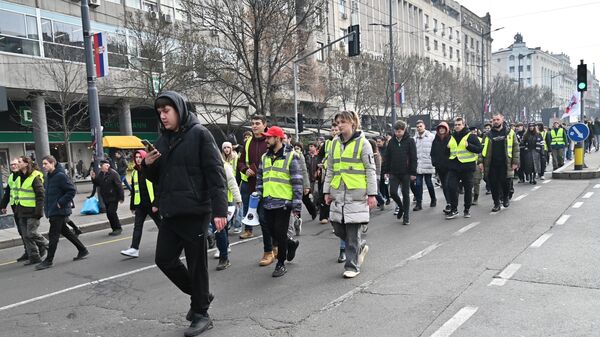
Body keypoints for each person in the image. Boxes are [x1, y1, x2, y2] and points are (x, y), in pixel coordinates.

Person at [143, 91, 228, 336]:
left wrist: (220, 210)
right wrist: (147, 165)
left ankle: (201, 313)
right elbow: (158, 177)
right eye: (159, 112)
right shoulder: (162, 140)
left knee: (197, 265)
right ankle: (201, 296)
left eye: (166, 111)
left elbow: (215, 174)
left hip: (194, 210)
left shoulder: (200, 134)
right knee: (164, 259)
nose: (162, 116)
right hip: (170, 212)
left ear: (179, 110)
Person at [324, 111, 378, 278]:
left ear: (353, 123)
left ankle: (352, 266)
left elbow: (370, 170)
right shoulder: (334, 143)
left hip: (357, 194)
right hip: (338, 194)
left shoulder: (364, 144)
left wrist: (372, 194)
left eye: (343, 122)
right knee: (338, 228)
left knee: (352, 233)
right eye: (338, 122)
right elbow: (331, 169)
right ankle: (360, 247)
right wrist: (326, 191)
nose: (339, 125)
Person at [256, 126, 302, 277]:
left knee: (280, 233)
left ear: (277, 138)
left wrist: (296, 204)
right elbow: (260, 178)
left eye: (269, 137)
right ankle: (291, 243)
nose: (266, 140)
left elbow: (296, 181)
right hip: (267, 202)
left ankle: (280, 263)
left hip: (283, 203)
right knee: (272, 232)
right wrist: (258, 194)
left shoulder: (291, 156)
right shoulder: (265, 157)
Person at [36, 155, 88, 270]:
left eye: (45, 164)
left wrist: (60, 202)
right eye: (43, 164)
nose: (43, 166)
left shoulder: (60, 176)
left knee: (53, 236)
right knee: (66, 232)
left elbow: (71, 190)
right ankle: (83, 250)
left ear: (52, 163)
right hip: (53, 210)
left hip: (59, 210)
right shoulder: (49, 176)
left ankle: (48, 260)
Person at [237, 115, 275, 267]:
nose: (254, 126)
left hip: (272, 186)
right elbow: (240, 162)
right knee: (264, 219)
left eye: (257, 123)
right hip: (254, 187)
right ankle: (268, 251)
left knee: (272, 221)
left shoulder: (270, 140)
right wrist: (246, 169)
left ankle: (277, 245)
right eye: (252, 124)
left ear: (264, 124)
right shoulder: (247, 143)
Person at [120, 150, 162, 258]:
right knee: (137, 227)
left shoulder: (151, 170)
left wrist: (156, 204)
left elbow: (158, 188)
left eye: (140, 157)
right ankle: (134, 248)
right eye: (136, 157)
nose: (138, 159)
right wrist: (132, 206)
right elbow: (134, 191)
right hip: (140, 205)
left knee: (162, 226)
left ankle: (174, 244)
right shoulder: (134, 172)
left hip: (152, 205)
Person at [479, 114, 519, 212]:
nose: (496, 121)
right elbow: (481, 149)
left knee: (506, 183)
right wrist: (480, 162)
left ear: (502, 120)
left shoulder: (509, 133)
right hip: (491, 163)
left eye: (498, 119)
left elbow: (516, 148)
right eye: (494, 120)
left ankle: (505, 198)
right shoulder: (488, 135)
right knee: (493, 184)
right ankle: (496, 203)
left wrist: (515, 161)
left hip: (506, 163)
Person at [446, 117, 482, 219]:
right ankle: (454, 209)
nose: (457, 126)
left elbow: (479, 149)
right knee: (451, 187)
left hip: (467, 167)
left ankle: (467, 210)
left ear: (464, 125)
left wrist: (468, 146)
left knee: (467, 189)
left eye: (459, 124)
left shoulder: (471, 136)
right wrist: (447, 149)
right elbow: (447, 152)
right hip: (454, 167)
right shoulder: (451, 137)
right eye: (455, 125)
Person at [382, 120, 417, 225]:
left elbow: (413, 157)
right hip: (394, 172)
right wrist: (386, 171)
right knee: (392, 192)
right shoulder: (391, 142)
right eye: (396, 131)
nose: (398, 133)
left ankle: (406, 216)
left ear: (404, 130)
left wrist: (413, 173)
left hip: (406, 172)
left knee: (406, 194)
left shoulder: (410, 141)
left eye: (400, 131)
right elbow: (387, 157)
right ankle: (401, 207)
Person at [15, 156, 48, 266]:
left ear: (25, 164)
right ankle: (34, 257)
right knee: (26, 236)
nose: (17, 164)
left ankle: (48, 245)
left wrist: (39, 212)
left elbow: (40, 195)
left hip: (33, 211)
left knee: (31, 233)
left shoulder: (35, 176)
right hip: (22, 211)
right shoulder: (20, 177)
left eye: (19, 162)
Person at [212, 153, 242, 271]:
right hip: (206, 202)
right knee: (219, 229)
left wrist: (238, 199)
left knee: (220, 229)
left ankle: (224, 257)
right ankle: (224, 247)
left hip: (221, 201)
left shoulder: (225, 166)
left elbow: (232, 183)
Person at [0, 159, 29, 262]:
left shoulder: (24, 175)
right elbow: (8, 192)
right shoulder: (11, 177)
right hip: (16, 207)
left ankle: (38, 248)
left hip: (25, 206)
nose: (13, 166)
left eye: (15, 164)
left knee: (27, 231)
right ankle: (28, 251)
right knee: (21, 231)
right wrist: (3, 206)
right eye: (11, 165)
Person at [91, 159, 124, 236]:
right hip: (106, 197)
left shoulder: (113, 173)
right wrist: (93, 178)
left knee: (112, 212)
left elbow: (119, 186)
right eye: (105, 165)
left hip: (114, 197)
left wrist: (121, 197)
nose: (107, 166)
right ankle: (114, 228)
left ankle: (118, 228)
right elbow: (98, 183)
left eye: (107, 165)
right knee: (109, 214)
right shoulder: (101, 174)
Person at [318, 123, 339, 224]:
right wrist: (319, 164)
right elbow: (320, 155)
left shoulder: (342, 142)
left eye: (336, 130)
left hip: (339, 172)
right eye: (332, 130)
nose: (334, 132)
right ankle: (323, 216)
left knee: (336, 194)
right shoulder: (326, 143)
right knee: (323, 193)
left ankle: (335, 215)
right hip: (327, 172)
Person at [413, 120, 436, 211]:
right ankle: (419, 203)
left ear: (424, 126)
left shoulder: (431, 137)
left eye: (420, 126)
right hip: (418, 164)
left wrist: (433, 161)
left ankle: (433, 199)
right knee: (418, 184)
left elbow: (435, 150)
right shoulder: (414, 138)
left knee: (429, 182)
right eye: (417, 126)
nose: (419, 128)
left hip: (428, 163)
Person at [221, 141, 242, 234]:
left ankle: (238, 224)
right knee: (228, 207)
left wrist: (237, 183)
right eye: (224, 148)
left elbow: (237, 172)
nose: (226, 149)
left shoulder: (235, 157)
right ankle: (228, 223)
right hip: (225, 186)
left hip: (234, 184)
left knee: (236, 206)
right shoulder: (221, 159)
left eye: (228, 147)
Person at [431, 122, 451, 214]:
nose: (441, 130)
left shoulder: (450, 138)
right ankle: (448, 202)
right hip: (439, 167)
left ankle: (451, 203)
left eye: (443, 128)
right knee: (444, 186)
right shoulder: (436, 140)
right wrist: (434, 163)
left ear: (446, 129)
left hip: (449, 167)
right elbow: (432, 153)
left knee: (448, 185)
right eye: (440, 128)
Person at [375, 136, 390, 205]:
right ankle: (382, 198)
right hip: (378, 170)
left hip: (385, 170)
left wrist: (387, 171)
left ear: (383, 142)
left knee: (385, 185)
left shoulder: (387, 149)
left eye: (379, 142)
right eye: (377, 142)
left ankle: (387, 198)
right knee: (380, 185)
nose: (378, 143)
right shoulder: (376, 149)